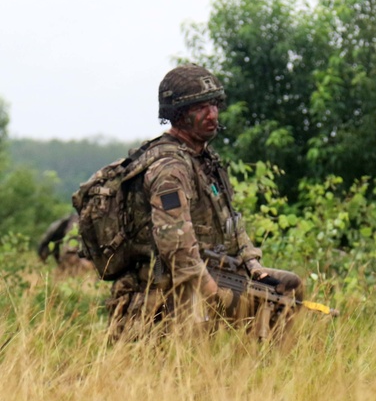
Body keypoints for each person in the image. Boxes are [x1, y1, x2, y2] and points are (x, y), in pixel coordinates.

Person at [105, 64, 304, 341]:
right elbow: (176, 246)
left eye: (214, 105)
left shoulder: (204, 158)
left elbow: (231, 222)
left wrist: (252, 265)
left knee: (286, 288)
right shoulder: (170, 168)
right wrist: (213, 293)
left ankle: (265, 375)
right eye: (201, 107)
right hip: (165, 287)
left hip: (210, 273)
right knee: (251, 303)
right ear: (179, 114)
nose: (212, 114)